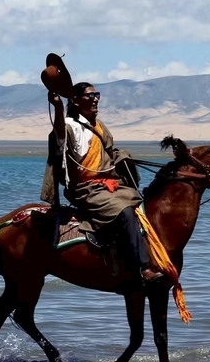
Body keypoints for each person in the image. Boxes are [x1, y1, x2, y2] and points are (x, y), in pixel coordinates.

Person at [43, 82, 163, 285]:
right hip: (86, 189)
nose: (95, 99)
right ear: (75, 100)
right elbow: (59, 134)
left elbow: (108, 152)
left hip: (109, 184)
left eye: (96, 95)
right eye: (90, 96)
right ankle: (142, 268)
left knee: (142, 203)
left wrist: (121, 158)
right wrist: (57, 107)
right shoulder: (71, 126)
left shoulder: (99, 125)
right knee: (124, 211)